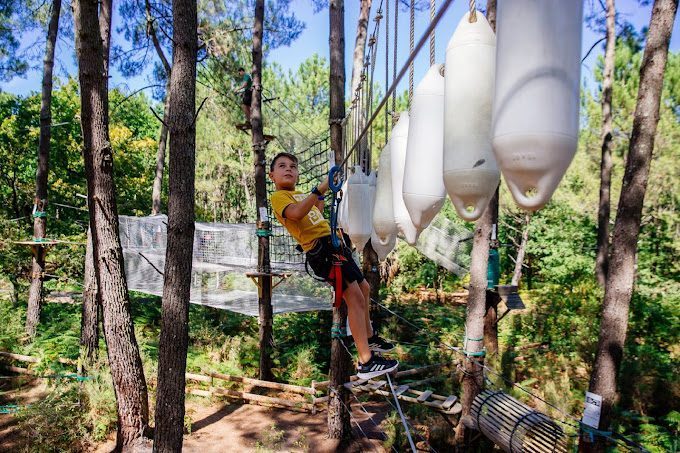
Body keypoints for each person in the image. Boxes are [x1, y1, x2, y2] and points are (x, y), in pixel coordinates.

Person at [269, 152, 398, 380]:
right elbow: (297, 214)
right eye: (282, 166)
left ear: (298, 174)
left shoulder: (299, 194)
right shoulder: (279, 197)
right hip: (322, 252)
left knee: (364, 288)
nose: (288, 169)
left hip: (334, 245)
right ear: (272, 175)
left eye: (292, 166)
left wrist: (326, 189)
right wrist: (319, 188)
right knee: (355, 298)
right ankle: (365, 361)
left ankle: (369, 337)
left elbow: (314, 212)